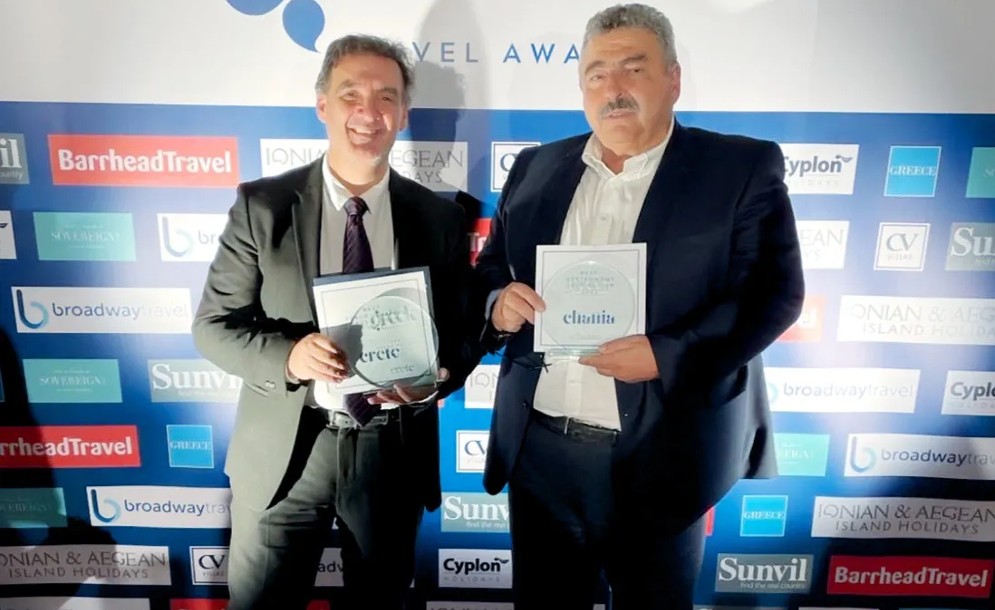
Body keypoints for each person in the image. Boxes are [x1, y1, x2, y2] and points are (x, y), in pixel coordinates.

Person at [471, 4, 805, 609]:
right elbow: (492, 270)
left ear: (673, 79)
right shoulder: (535, 167)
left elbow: (771, 294)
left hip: (663, 453)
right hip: (539, 453)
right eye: (597, 74)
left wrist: (665, 355)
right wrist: (497, 304)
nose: (614, 88)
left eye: (634, 69)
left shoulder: (738, 168)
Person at [192, 34, 477, 610]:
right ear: (323, 104)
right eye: (351, 94)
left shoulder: (440, 219)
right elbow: (213, 325)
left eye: (386, 97)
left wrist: (433, 380)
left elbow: (460, 337)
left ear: (403, 114)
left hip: (390, 453)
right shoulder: (263, 206)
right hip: (287, 453)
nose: (369, 112)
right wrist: (290, 356)